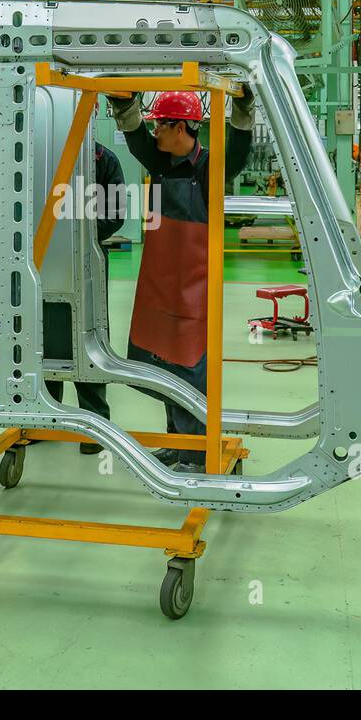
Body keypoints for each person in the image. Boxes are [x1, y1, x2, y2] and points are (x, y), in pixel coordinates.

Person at [107, 87, 254, 471]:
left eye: (162, 125)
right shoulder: (159, 163)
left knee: (189, 367)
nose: (155, 131)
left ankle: (195, 451)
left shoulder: (211, 167)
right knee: (163, 364)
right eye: (155, 124)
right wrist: (123, 102)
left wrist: (243, 105)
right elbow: (135, 135)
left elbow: (239, 149)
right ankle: (176, 441)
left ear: (184, 128)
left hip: (193, 289)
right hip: (159, 284)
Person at [43, 141, 127, 454]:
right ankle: (45, 419)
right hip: (45, 258)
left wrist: (75, 232)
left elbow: (116, 214)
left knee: (89, 336)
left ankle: (95, 424)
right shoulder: (42, 150)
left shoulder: (103, 159)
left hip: (87, 257)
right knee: (45, 335)